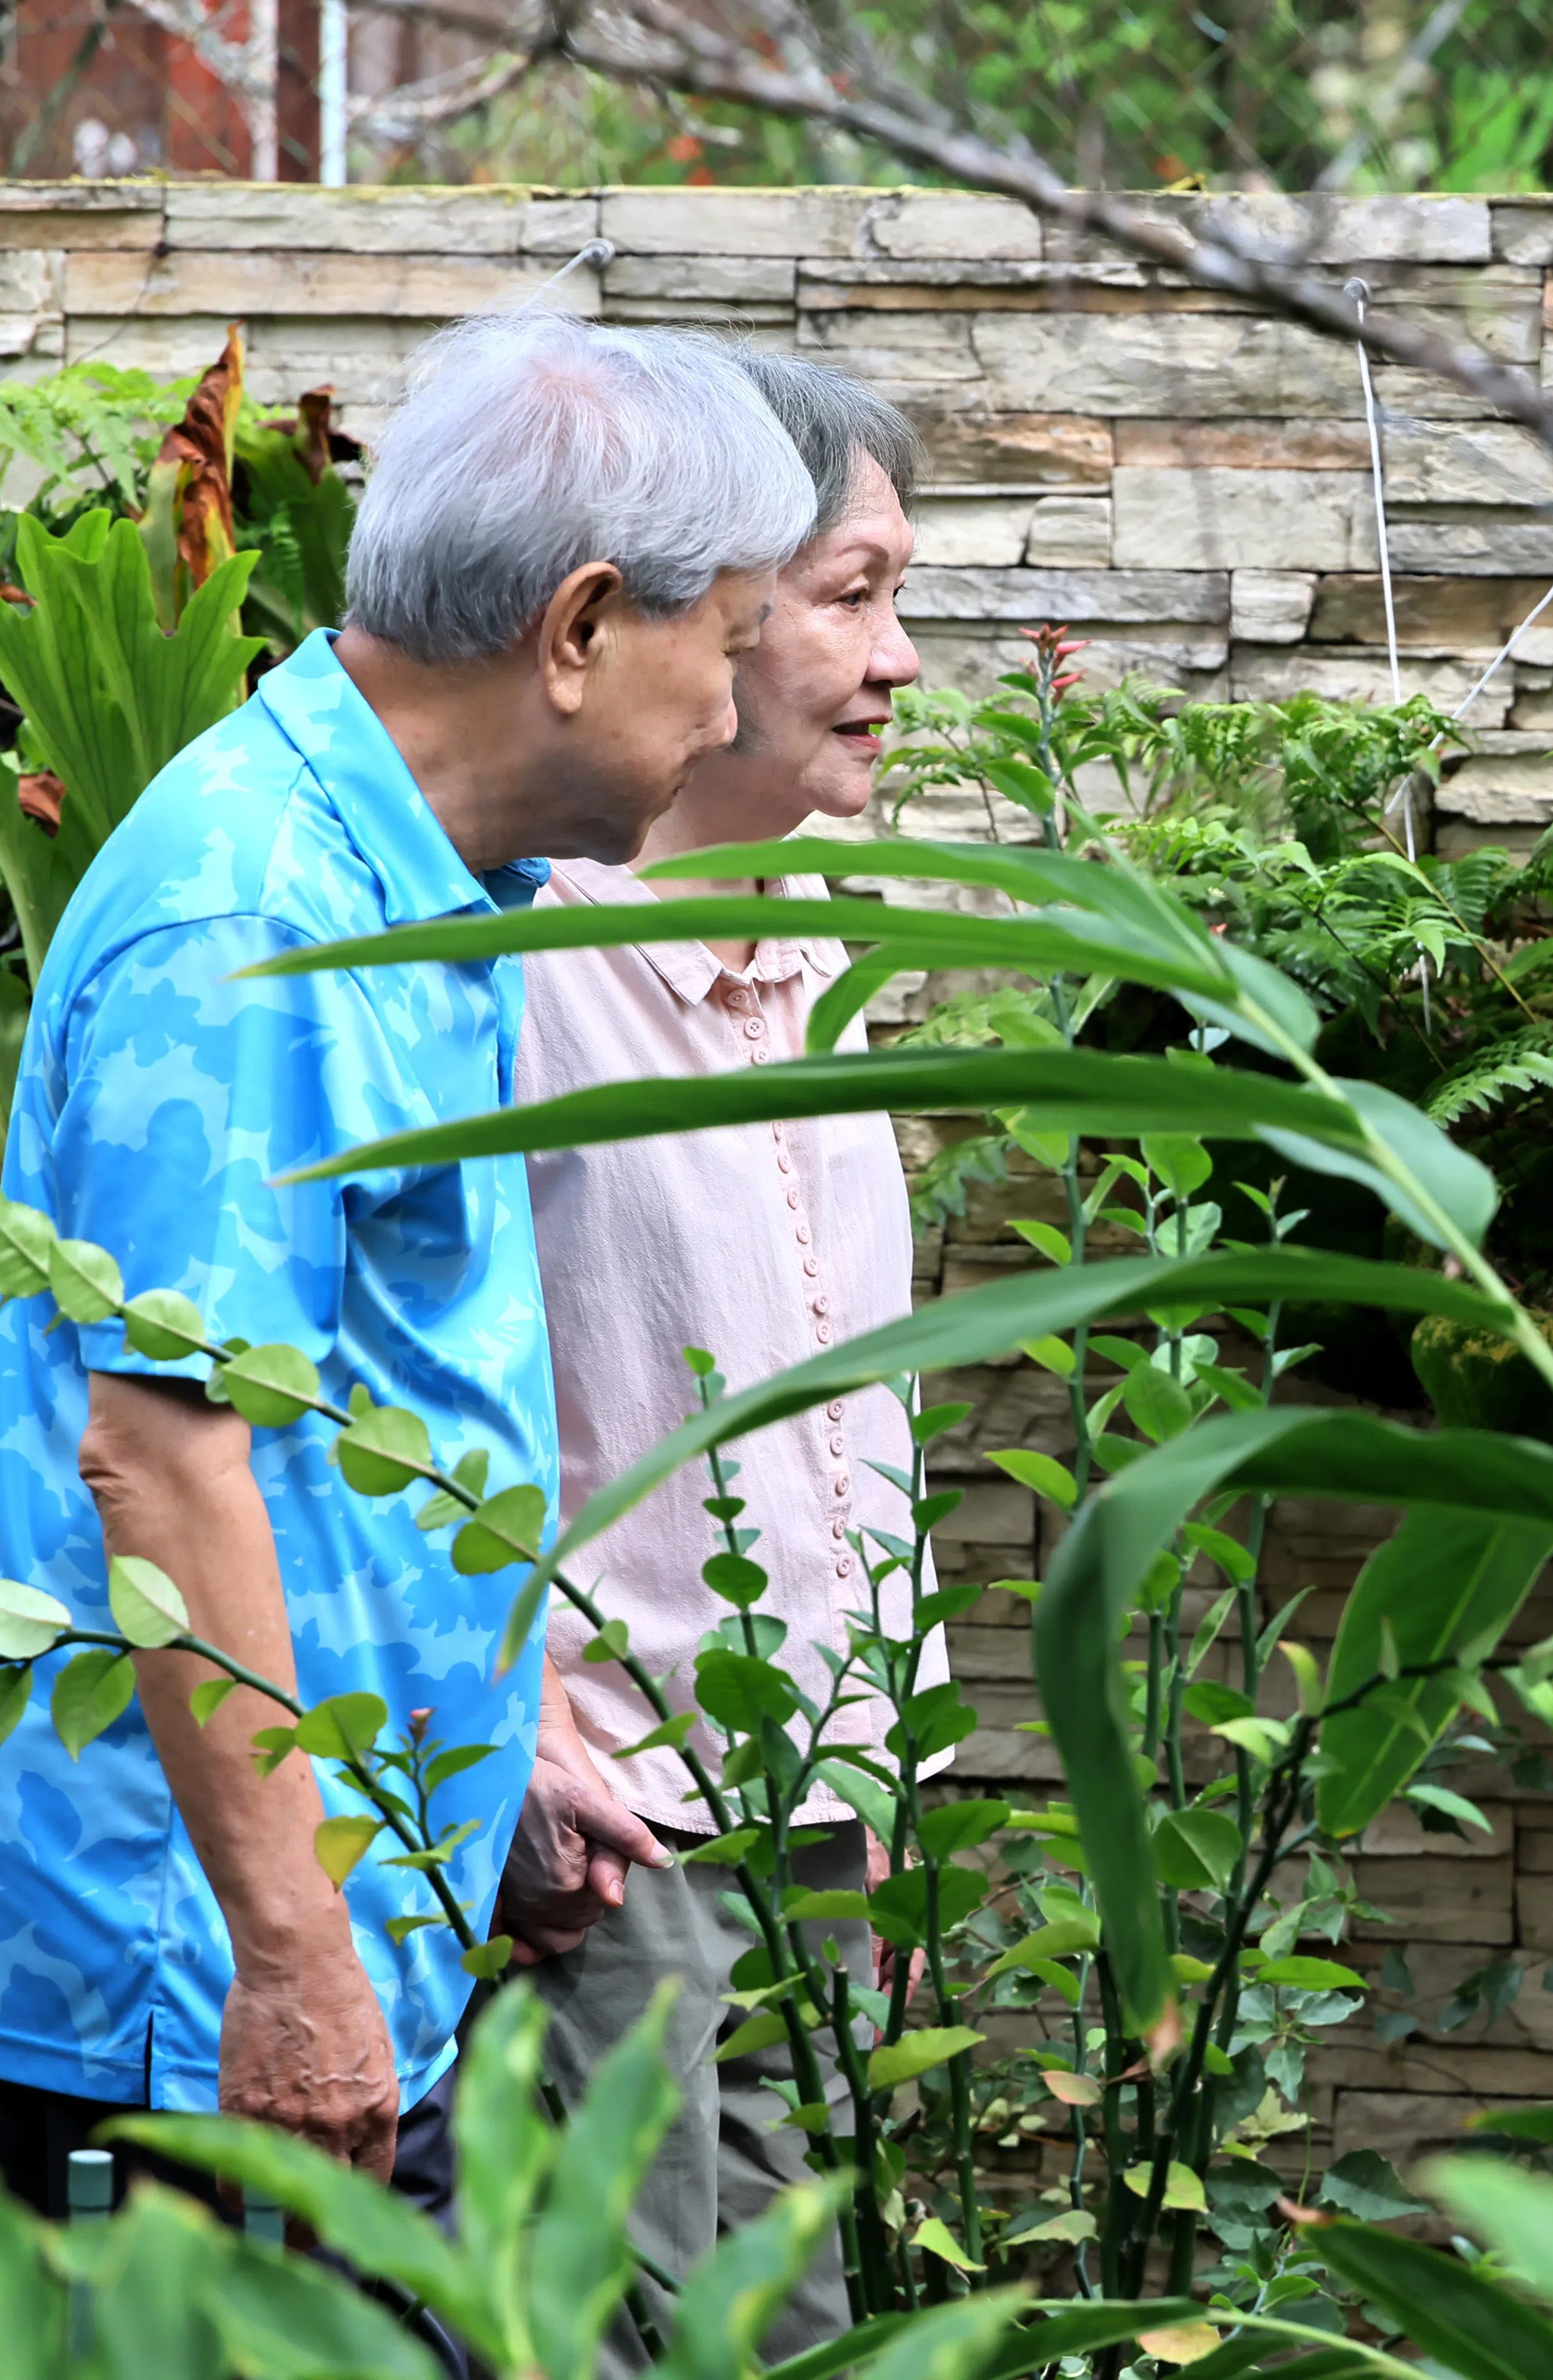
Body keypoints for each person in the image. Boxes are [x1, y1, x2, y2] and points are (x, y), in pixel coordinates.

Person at [0, 312, 819, 2220]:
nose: (731, 715)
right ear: (575, 631)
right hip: (198, 1979)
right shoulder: (257, 915)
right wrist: (295, 1953)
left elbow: (360, 1397)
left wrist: (499, 1757)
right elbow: (162, 1457)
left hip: (324, 1926)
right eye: (720, 647)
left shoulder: (423, 882)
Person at [490, 350, 932, 2362]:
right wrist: (510, 1725)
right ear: (709, 604)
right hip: (618, 1840)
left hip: (828, 1818)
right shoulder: (508, 965)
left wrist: (895, 1775)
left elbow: (869, 1416)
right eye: (852, 594)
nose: (897, 656)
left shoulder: (831, 943)